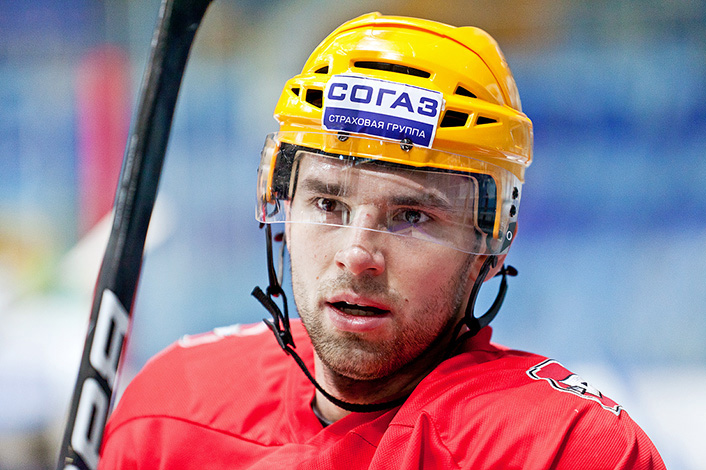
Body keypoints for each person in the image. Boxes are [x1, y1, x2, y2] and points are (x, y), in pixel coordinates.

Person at [98, 12, 665, 469]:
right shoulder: (168, 411)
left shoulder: (567, 450)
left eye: (412, 215)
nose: (357, 255)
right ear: (282, 204)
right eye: (328, 204)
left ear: (494, 243)